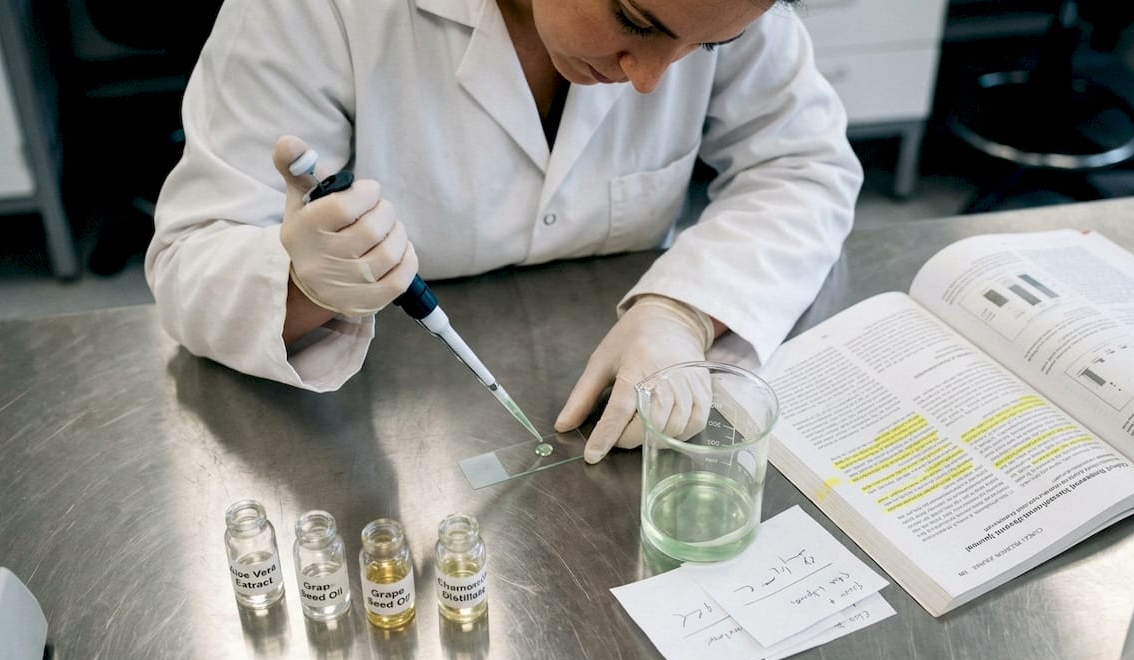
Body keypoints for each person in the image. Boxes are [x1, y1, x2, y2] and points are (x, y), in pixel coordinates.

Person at [146, 0, 863, 463]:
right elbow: (191, 257)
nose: (650, 79)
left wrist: (686, 310)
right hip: (389, 427)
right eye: (634, 21)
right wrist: (307, 282)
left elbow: (803, 166)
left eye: (705, 48)